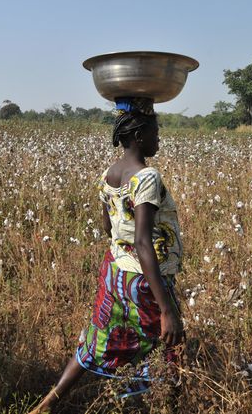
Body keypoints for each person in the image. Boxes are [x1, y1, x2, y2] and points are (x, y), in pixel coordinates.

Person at [30, 97, 185, 413]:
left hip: (115, 272)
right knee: (173, 347)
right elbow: (144, 242)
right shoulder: (147, 177)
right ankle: (167, 407)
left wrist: (123, 247)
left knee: (99, 339)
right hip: (145, 279)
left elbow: (108, 225)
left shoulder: (109, 174)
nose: (159, 139)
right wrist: (167, 309)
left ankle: (48, 403)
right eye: (156, 133)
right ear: (139, 136)